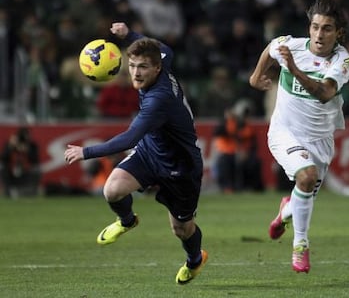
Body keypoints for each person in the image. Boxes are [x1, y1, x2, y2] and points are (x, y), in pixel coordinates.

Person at [64, 22, 207, 284]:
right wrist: (129, 35)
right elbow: (160, 48)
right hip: (151, 152)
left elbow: (128, 138)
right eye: (132, 66)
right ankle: (127, 221)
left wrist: (86, 152)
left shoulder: (158, 100)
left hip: (181, 167)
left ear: (157, 68)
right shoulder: (163, 56)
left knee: (181, 229)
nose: (136, 73)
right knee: (112, 190)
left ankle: (195, 260)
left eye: (142, 67)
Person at [249, 0, 349, 273]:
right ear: (309, 28)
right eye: (315, 27)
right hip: (284, 132)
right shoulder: (292, 44)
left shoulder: (342, 60)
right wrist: (256, 76)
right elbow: (270, 48)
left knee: (303, 193)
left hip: (319, 141)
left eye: (327, 28)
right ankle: (300, 245)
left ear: (338, 32)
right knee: (306, 177)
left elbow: (325, 93)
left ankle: (284, 212)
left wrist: (294, 69)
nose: (319, 34)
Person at [0, 127, 41, 198]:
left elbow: (35, 160)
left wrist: (27, 150)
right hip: (11, 172)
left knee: (37, 169)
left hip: (27, 172)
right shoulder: (10, 145)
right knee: (1, 166)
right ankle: (9, 190)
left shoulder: (32, 146)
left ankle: (25, 191)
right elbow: (3, 158)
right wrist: (11, 146)